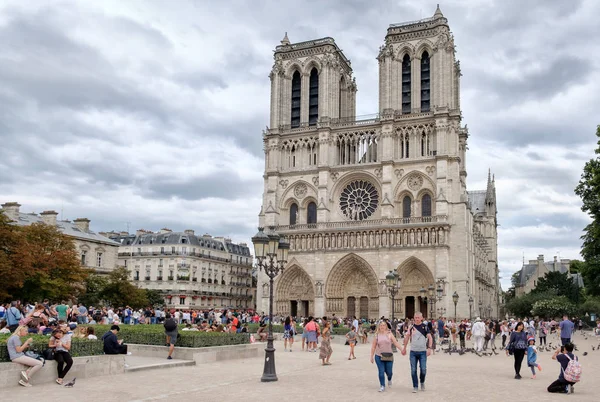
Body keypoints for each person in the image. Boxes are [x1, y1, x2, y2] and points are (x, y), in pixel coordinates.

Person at [402, 312, 433, 393]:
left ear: (422, 318)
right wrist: (404, 348)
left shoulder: (425, 327)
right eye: (415, 317)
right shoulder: (411, 327)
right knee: (413, 370)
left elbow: (430, 338)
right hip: (413, 352)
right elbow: (407, 337)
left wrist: (429, 348)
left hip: (422, 352)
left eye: (418, 317)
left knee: (423, 369)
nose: (417, 319)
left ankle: (422, 382)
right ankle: (415, 386)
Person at [370, 320, 402, 392]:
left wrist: (401, 349)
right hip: (379, 356)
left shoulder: (389, 334)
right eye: (381, 325)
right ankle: (382, 385)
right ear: (379, 327)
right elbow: (373, 346)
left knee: (389, 372)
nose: (382, 327)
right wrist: (371, 356)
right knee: (381, 371)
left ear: (386, 326)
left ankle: (389, 378)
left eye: (384, 325)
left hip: (388, 356)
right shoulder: (377, 335)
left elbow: (395, 342)